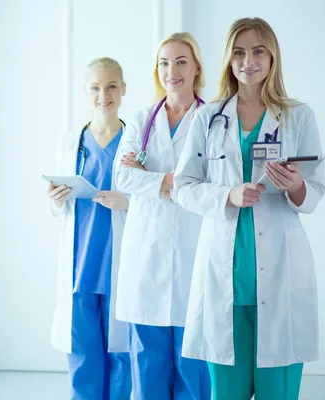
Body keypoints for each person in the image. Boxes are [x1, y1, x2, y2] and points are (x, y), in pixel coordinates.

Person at [174, 17, 325, 400]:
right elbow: (183, 187)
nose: (249, 60)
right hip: (226, 275)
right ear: (228, 59)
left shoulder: (298, 116)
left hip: (280, 273)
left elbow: (316, 190)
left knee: (278, 392)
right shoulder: (207, 117)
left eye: (258, 51)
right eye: (239, 52)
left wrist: (295, 186)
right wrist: (227, 195)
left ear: (272, 57)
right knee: (228, 393)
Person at [113, 32, 211, 400]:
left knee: (193, 370)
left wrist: (150, 179)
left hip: (194, 249)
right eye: (164, 62)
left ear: (196, 66)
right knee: (147, 369)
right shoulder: (141, 120)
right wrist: (176, 182)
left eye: (181, 61)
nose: (172, 70)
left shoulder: (214, 120)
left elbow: (217, 181)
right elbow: (121, 177)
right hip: (146, 255)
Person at [47, 57, 132, 399]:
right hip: (80, 263)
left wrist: (128, 202)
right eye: (95, 87)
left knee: (121, 354)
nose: (104, 94)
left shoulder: (134, 141)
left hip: (119, 259)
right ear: (85, 92)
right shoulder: (71, 142)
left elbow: (150, 200)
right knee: (82, 356)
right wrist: (55, 199)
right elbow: (58, 205)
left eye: (111, 86)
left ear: (124, 89)